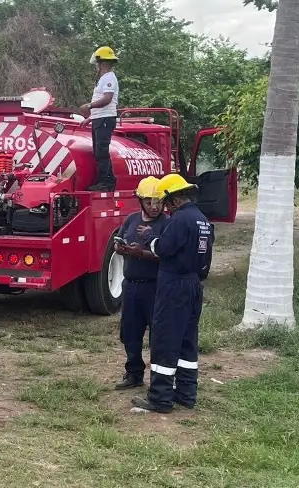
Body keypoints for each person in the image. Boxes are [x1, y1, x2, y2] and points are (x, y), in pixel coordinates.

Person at [132, 174, 215, 413]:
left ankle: (160, 398)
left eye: (167, 202)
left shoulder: (179, 220)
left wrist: (150, 237)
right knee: (187, 341)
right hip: (193, 284)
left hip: (174, 285)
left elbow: (163, 249)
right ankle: (186, 394)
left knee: (165, 340)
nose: (167, 207)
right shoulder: (202, 220)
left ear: (176, 199)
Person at [113, 176, 169, 390]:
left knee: (158, 334)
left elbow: (168, 255)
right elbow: (119, 239)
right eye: (149, 202)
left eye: (158, 202)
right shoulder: (131, 219)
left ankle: (159, 377)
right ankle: (134, 373)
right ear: (140, 201)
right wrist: (120, 248)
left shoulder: (168, 223)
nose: (154, 207)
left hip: (155, 287)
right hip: (131, 286)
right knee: (130, 332)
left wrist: (142, 254)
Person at [80, 46, 119, 191]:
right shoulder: (104, 78)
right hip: (101, 119)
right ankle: (102, 180)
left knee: (102, 151)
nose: (96, 66)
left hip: (105, 120)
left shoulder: (109, 78)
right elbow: (102, 108)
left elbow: (107, 99)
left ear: (101, 63)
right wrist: (90, 118)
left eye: (97, 63)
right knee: (98, 151)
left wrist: (89, 105)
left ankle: (106, 182)